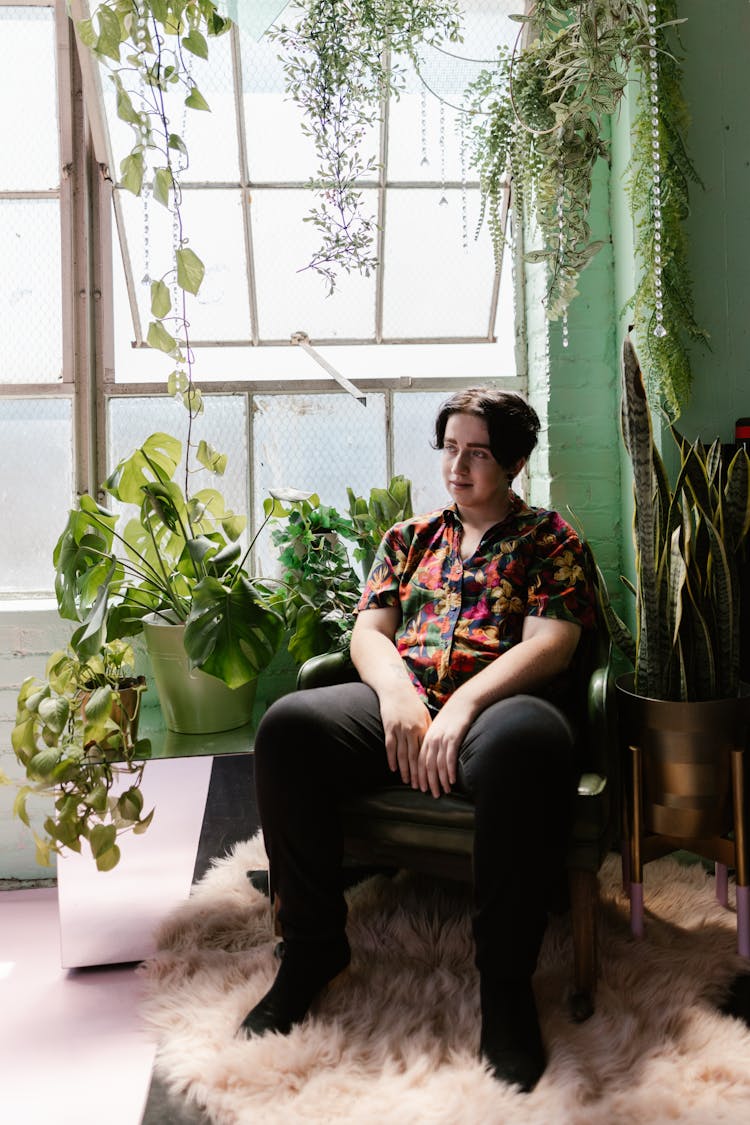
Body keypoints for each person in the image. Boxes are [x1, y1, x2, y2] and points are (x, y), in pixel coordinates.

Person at [240, 387, 596, 1092]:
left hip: (502, 709)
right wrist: (399, 697)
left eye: (480, 452)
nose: (458, 466)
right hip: (406, 706)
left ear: (517, 461)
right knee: (287, 728)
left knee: (529, 747)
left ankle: (505, 985)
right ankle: (312, 949)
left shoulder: (550, 539)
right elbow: (369, 631)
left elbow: (554, 644)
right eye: (451, 448)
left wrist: (463, 703)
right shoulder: (408, 538)